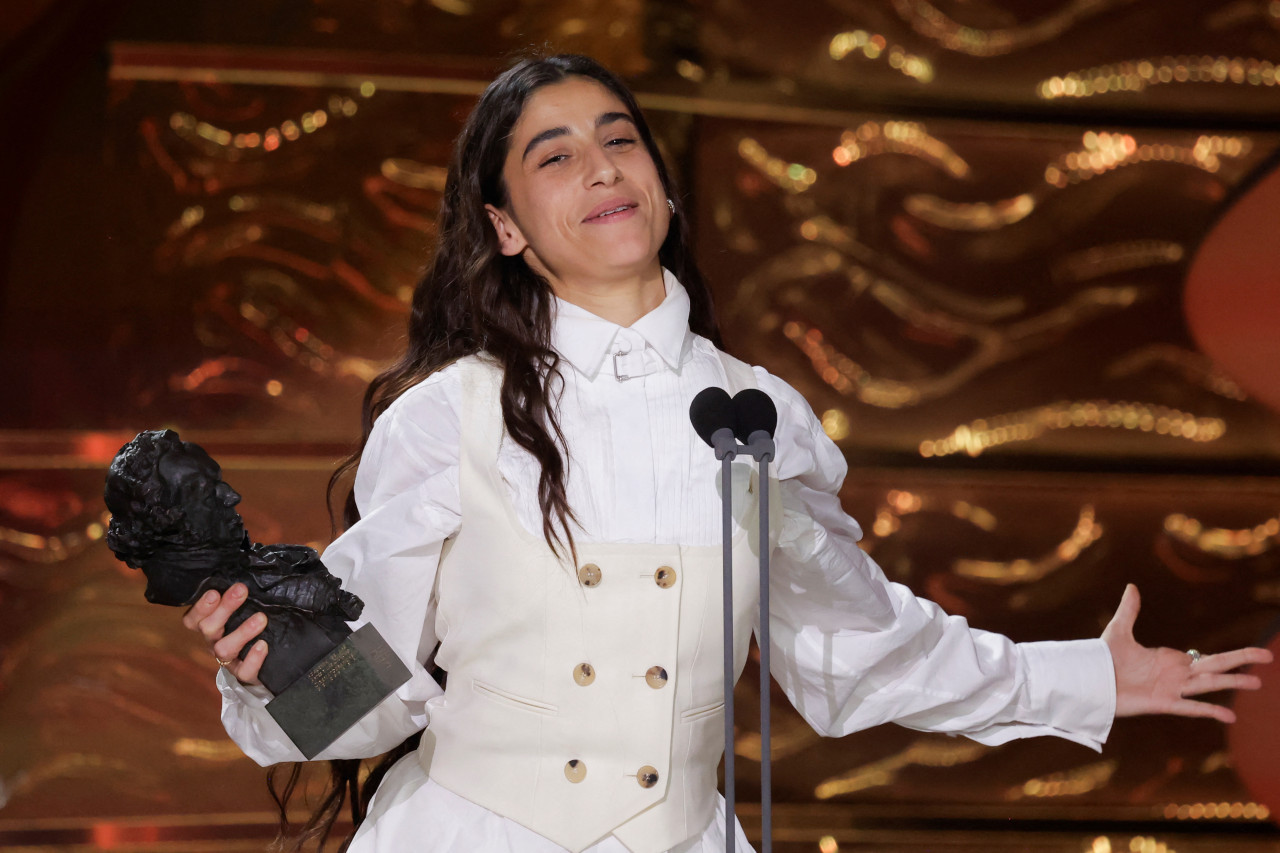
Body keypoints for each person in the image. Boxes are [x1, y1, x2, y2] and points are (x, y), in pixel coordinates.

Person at [181, 54, 1272, 853]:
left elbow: (853, 648)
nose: (601, 167)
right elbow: (373, 698)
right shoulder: (445, 417)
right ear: (504, 225)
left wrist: (1077, 679)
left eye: (619, 140)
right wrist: (268, 669)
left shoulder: (759, 413)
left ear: (658, 181)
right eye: (553, 156)